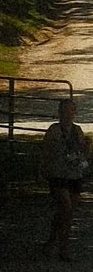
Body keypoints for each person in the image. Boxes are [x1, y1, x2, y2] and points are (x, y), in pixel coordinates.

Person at [41, 85, 90, 257]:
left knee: (67, 212)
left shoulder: (78, 130)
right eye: (66, 110)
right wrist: (44, 169)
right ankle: (63, 247)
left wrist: (85, 150)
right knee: (66, 208)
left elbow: (83, 150)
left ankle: (54, 238)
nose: (69, 114)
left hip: (74, 174)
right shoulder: (53, 130)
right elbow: (46, 151)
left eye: (72, 110)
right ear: (60, 112)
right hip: (57, 174)